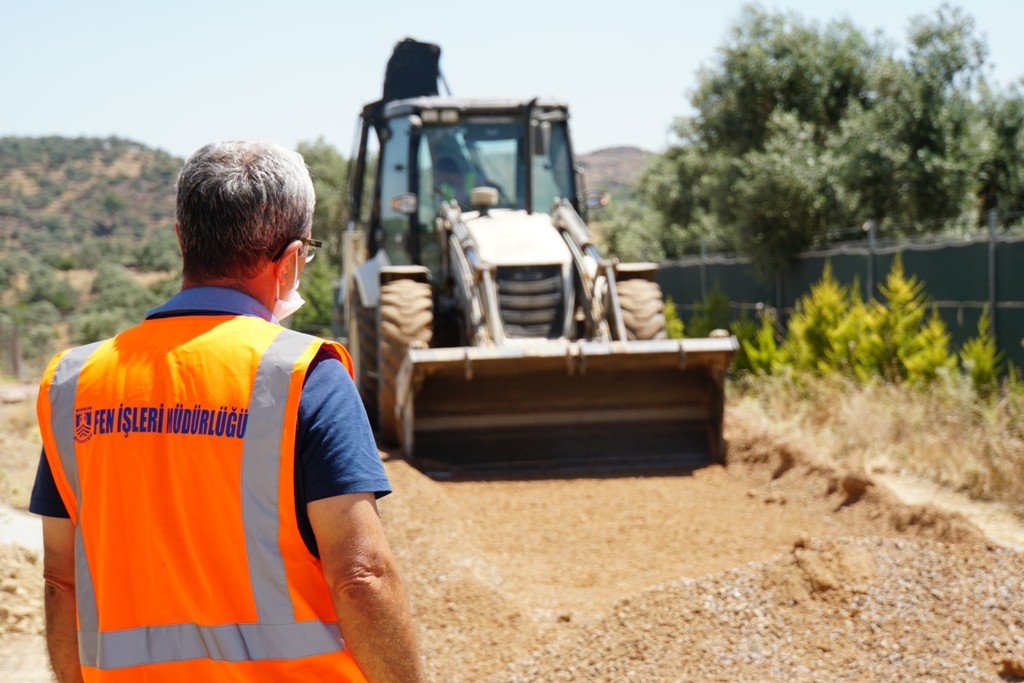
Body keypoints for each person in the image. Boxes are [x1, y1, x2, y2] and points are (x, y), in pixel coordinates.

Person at [30, 140, 424, 682]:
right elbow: (360, 576)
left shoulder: (73, 385)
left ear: (180, 241)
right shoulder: (305, 377)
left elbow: (60, 580)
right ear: (289, 261)